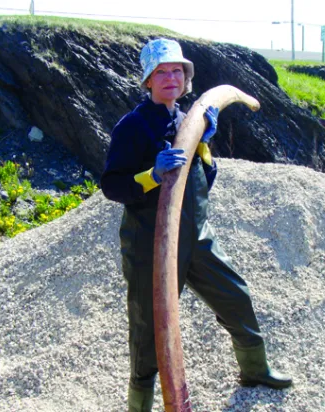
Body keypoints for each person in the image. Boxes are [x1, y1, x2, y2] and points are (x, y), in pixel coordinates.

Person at [101, 38, 292, 412]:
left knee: (236, 296)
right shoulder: (133, 126)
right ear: (148, 80)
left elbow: (204, 181)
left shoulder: (186, 119)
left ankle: (255, 369)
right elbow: (112, 185)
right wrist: (153, 175)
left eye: (177, 71)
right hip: (150, 245)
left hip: (197, 236)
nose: (171, 77)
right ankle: (139, 403)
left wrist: (203, 145)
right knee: (148, 333)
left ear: (186, 78)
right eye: (162, 72)